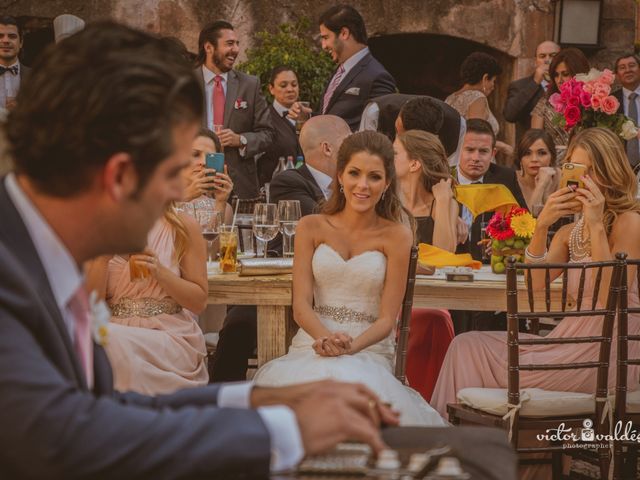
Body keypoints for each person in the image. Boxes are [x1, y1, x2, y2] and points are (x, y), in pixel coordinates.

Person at [0, 21, 403, 478]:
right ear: (118, 176)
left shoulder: (40, 247)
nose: (182, 189)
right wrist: (280, 432)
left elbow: (98, 400)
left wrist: (253, 399)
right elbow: (58, 438)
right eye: (175, 170)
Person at [432, 127, 640, 477]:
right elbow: (535, 290)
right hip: (569, 342)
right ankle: (467, 465)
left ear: (609, 172)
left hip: (611, 352)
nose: (580, 180)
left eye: (589, 171)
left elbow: (609, 298)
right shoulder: (568, 233)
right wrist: (542, 225)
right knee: (465, 346)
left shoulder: (630, 222)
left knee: (472, 349)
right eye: (574, 170)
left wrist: (596, 225)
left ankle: (476, 466)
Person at [252, 130, 447, 426]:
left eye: (374, 177)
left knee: (348, 391)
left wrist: (349, 348)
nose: (363, 185)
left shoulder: (397, 236)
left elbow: (386, 320)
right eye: (354, 173)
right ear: (340, 176)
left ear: (387, 183)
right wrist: (325, 339)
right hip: (312, 344)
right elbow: (301, 306)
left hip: (368, 349)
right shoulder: (311, 226)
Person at [210, 115, 352, 382]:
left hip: (331, 290)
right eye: (349, 139)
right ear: (328, 148)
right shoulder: (290, 181)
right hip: (279, 284)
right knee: (239, 324)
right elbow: (322, 227)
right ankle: (219, 396)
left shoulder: (354, 186)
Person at [85, 204, 210, 395]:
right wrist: (102, 258)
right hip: (114, 331)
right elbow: (91, 307)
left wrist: (160, 273)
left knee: (108, 342)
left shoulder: (182, 225)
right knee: (101, 341)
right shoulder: (100, 226)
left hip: (168, 334)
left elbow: (199, 302)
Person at [393, 129, 457, 401]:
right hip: (391, 294)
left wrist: (443, 202)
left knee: (435, 319)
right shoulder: (387, 201)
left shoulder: (442, 203)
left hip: (431, 295)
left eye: (395, 153)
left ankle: (429, 400)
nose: (388, 157)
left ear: (414, 164)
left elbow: (445, 254)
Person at [195, 20, 274, 200]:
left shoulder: (250, 85)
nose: (236, 49)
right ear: (209, 47)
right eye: (230, 43)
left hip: (240, 187)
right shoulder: (185, 82)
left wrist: (241, 139)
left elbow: (268, 134)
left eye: (237, 43)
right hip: (194, 183)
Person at [291, 5, 396, 131]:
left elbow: (380, 135)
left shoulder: (377, 76)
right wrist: (308, 117)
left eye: (325, 37)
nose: (323, 46)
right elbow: (334, 120)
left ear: (344, 33)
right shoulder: (339, 71)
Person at [454, 119, 527, 261]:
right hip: (448, 260)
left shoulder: (505, 178)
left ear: (493, 153)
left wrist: (504, 242)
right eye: (469, 150)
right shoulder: (442, 177)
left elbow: (524, 221)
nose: (476, 158)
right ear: (458, 150)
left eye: (483, 151)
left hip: (489, 263)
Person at [445, 52, 512, 157]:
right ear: (485, 78)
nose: (493, 87)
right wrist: (502, 146)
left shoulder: (450, 98)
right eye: (493, 81)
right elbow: (476, 137)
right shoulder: (477, 98)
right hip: (475, 159)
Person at [531, 48, 590, 163]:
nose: (560, 80)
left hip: (586, 163)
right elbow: (534, 141)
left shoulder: (592, 102)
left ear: (578, 73)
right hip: (553, 165)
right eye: (556, 75)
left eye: (565, 74)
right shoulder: (545, 103)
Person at [503, 41, 560, 142]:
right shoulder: (519, 86)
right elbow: (510, 115)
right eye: (542, 56)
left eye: (553, 56)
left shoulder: (568, 85)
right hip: (529, 151)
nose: (548, 60)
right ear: (535, 61)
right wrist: (535, 82)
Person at [257, 66, 302, 186]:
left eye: (294, 84)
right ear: (271, 89)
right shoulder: (264, 118)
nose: (290, 89)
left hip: (304, 187)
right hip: (273, 188)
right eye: (283, 85)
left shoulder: (307, 117)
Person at [182, 128, 233, 224]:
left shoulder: (224, 208)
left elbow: (215, 239)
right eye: (195, 154)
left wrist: (220, 203)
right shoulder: (156, 200)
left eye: (210, 158)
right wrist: (185, 197)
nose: (203, 162)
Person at [514, 129, 560, 213]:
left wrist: (546, 194)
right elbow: (529, 219)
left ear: (552, 157)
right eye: (527, 153)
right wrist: (541, 185)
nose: (534, 159)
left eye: (542, 153)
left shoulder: (560, 178)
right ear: (520, 159)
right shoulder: (510, 180)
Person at [613, 53, 640, 168]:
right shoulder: (609, 101)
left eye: (632, 65)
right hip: (619, 166)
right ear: (617, 75)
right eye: (622, 68)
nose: (628, 70)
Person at [0, 16, 30, 111]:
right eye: (0, 36)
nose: (5, 40)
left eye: (12, 36)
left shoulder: (36, 76)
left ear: (21, 42)